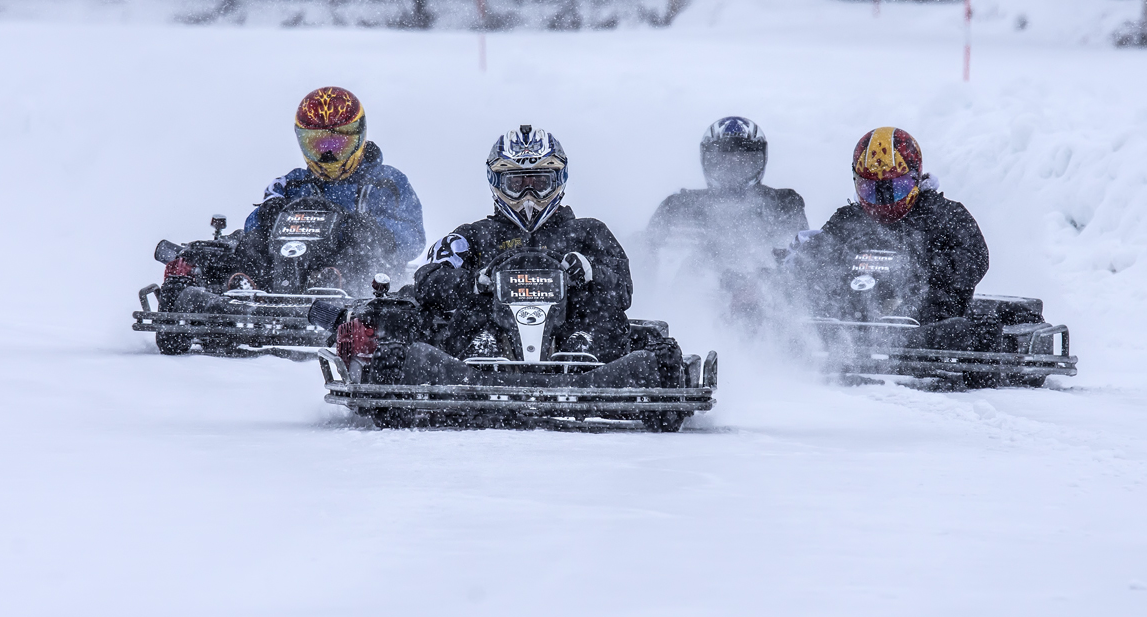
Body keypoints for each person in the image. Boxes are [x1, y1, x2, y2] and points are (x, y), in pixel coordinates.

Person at [415, 125, 633, 361]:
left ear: (558, 180)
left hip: (574, 341)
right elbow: (426, 282)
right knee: (463, 310)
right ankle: (483, 347)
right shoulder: (474, 236)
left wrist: (591, 272)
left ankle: (581, 350)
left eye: (539, 183)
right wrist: (474, 282)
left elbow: (623, 294)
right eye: (517, 185)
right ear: (497, 182)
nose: (528, 196)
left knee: (605, 310)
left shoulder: (588, 232)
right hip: (484, 349)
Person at [790, 127, 988, 325]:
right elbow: (816, 256)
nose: (883, 199)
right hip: (847, 322)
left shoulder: (944, 215)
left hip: (927, 326)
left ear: (915, 178)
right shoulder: (848, 219)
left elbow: (975, 259)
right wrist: (800, 260)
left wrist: (922, 267)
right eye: (870, 189)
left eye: (895, 188)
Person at [235, 86, 425, 290]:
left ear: (359, 138)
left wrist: (374, 230)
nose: (329, 156)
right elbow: (254, 222)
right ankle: (244, 286)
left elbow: (414, 238)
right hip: (289, 270)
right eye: (318, 145)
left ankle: (332, 282)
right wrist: (268, 215)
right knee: (248, 241)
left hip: (362, 280)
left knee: (360, 245)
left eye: (338, 145)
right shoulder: (293, 184)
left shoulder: (388, 183)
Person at [644, 117, 808, 316]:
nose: (734, 167)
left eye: (744, 159)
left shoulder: (783, 204)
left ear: (761, 160)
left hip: (768, 315)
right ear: (707, 160)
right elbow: (644, 263)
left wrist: (759, 284)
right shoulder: (677, 207)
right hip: (687, 314)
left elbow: (801, 267)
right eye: (723, 158)